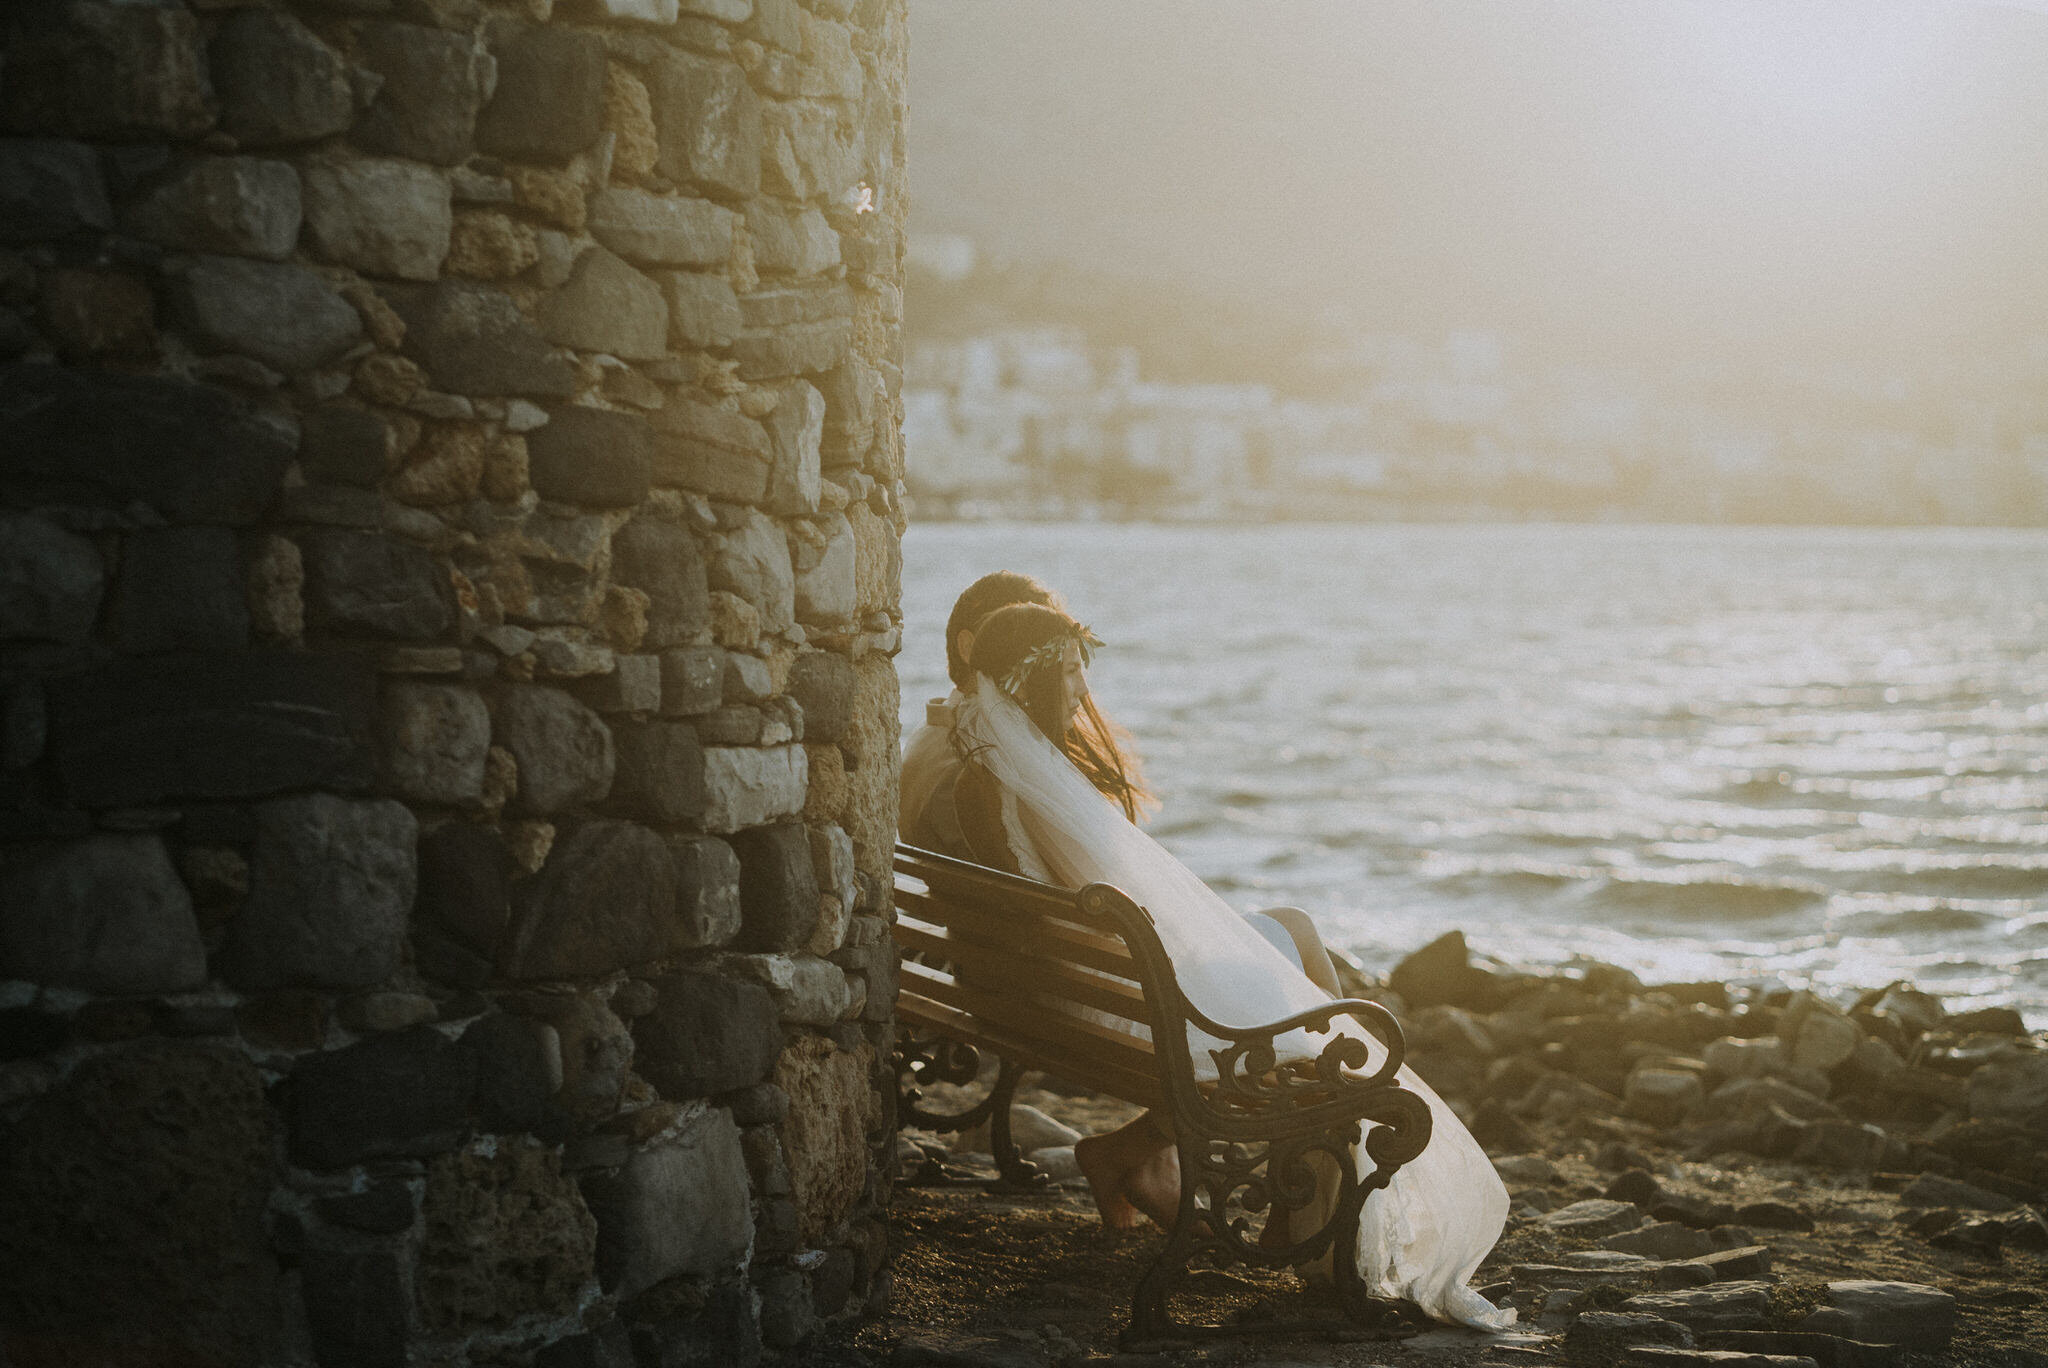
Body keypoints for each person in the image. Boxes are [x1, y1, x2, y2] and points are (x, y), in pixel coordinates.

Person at [929, 600, 1515, 1332]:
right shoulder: (1033, 778)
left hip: (1068, 990)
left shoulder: (984, 771)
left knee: (1294, 960)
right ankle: (1299, 1204)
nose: (1084, 689)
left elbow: (1071, 911)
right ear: (1034, 680)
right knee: (1311, 1011)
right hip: (1115, 999)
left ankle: (1241, 1180)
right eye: (1074, 672)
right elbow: (1106, 901)